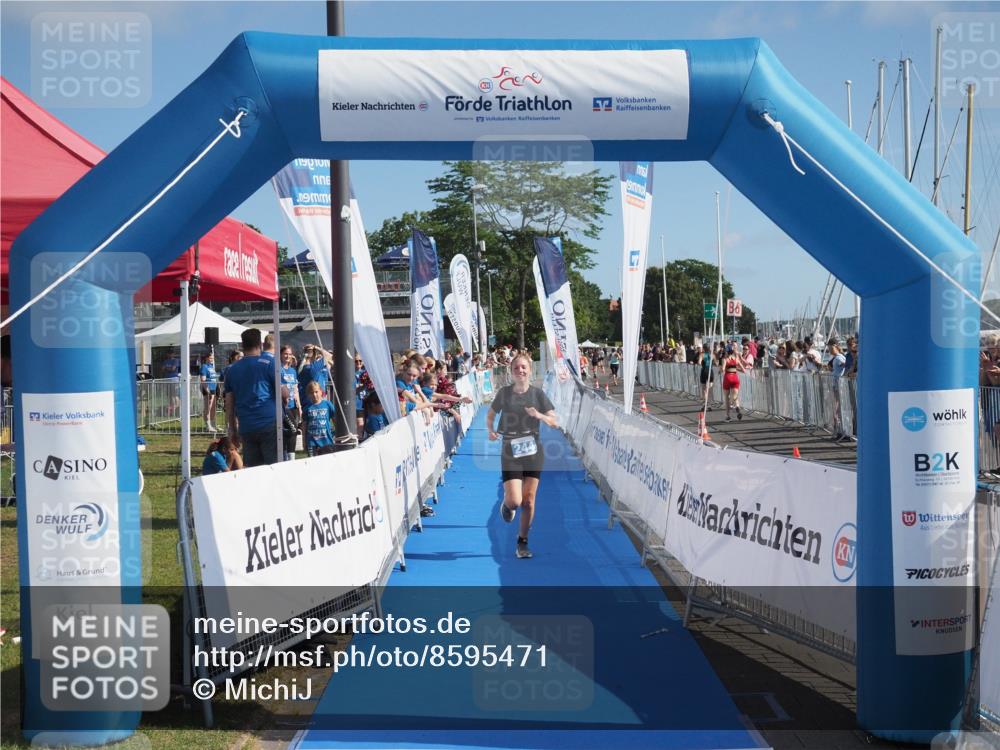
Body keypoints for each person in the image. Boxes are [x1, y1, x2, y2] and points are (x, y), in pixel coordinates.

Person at [487, 353, 558, 560]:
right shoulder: (504, 393)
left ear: (530, 370)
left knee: (528, 501)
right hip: (510, 449)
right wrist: (491, 430)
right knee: (516, 501)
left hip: (533, 450)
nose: (520, 371)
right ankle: (507, 504)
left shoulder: (538, 395)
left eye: (524, 367)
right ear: (511, 371)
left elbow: (554, 422)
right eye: (517, 368)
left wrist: (540, 415)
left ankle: (522, 542)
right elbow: (491, 415)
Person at [224, 328, 288, 467]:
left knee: (254, 472)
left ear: (242, 345)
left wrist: (232, 429)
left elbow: (229, 403)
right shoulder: (269, 364)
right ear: (260, 344)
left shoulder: (231, 370)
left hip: (247, 425)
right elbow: (285, 393)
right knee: (276, 468)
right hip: (270, 423)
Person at [303, 380, 337, 456]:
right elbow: (304, 426)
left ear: (321, 392)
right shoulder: (307, 408)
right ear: (308, 395)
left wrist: (337, 435)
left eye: (316, 392)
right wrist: (304, 442)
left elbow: (335, 420)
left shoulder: (327, 404)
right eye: (311, 393)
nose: (314, 394)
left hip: (326, 441)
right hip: (312, 442)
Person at [722, 344, 746, 422]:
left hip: (727, 377)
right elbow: (744, 370)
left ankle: (727, 416)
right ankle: (737, 407)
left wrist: (721, 370)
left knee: (726, 397)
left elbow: (722, 369)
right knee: (735, 396)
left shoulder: (725, 359)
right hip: (735, 378)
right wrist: (735, 369)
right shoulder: (736, 359)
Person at [199, 351, 219, 432]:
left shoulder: (211, 366)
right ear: (206, 358)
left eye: (212, 358)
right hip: (207, 389)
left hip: (213, 388)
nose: (212, 359)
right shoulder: (204, 366)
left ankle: (213, 424)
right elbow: (203, 380)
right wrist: (207, 391)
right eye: (210, 358)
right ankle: (208, 425)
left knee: (213, 407)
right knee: (208, 407)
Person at [699, 343, 714, 410]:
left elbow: (699, 362)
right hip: (710, 371)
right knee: (710, 389)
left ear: (704, 348)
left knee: (704, 390)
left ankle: (705, 404)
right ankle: (710, 405)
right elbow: (716, 362)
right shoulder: (712, 355)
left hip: (704, 371)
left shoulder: (702, 354)